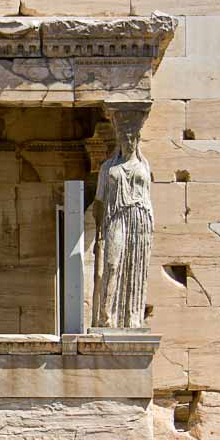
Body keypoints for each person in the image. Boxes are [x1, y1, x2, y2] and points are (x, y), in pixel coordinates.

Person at [93, 108, 153, 329]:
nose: (128, 142)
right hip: (116, 218)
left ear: (137, 140)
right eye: (124, 137)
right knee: (112, 263)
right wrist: (99, 228)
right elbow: (99, 201)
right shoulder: (108, 168)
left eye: (132, 138)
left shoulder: (143, 166)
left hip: (140, 219)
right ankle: (106, 315)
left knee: (134, 266)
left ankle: (131, 318)